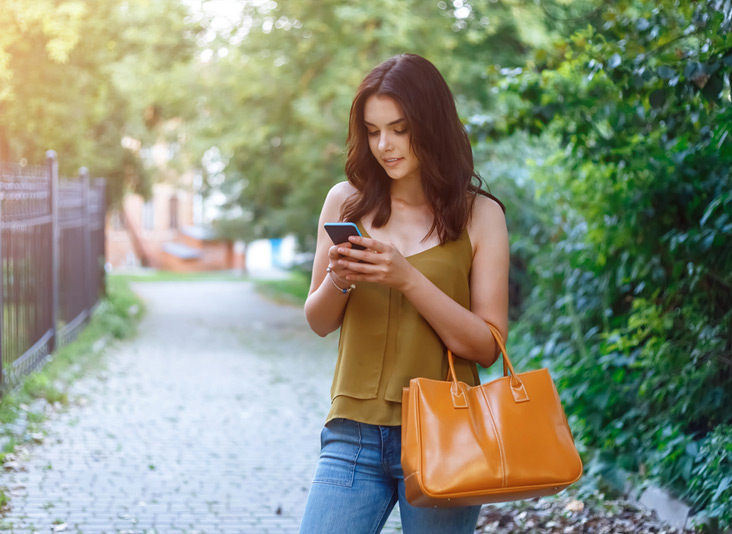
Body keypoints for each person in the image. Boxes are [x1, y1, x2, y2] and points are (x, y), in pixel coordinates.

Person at [299, 53, 509, 534]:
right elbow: (318, 321)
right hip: (352, 432)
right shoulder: (345, 201)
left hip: (448, 434)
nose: (384, 145)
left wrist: (407, 278)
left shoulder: (481, 216)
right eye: (373, 131)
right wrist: (340, 278)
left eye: (398, 128)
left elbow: (487, 345)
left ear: (431, 127)